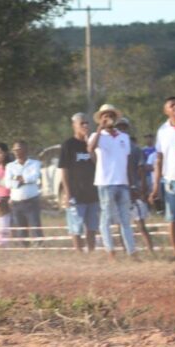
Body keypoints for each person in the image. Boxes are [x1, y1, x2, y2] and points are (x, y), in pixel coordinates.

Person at [90, 103, 137, 260]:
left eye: (110, 115)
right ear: (100, 119)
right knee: (107, 217)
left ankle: (132, 252)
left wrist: (132, 183)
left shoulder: (124, 137)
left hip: (122, 182)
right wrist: (100, 129)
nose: (108, 118)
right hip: (105, 182)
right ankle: (110, 251)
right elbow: (90, 149)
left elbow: (128, 160)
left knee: (125, 219)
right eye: (105, 116)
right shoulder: (97, 136)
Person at [150, 97, 175, 260]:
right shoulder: (162, 131)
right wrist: (155, 186)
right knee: (172, 219)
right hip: (171, 179)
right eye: (171, 105)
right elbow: (159, 159)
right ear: (165, 111)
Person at [59, 113, 98, 253]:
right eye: (82, 123)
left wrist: (90, 147)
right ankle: (79, 253)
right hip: (76, 192)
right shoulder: (68, 145)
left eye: (87, 123)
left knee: (92, 226)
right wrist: (67, 192)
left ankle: (91, 252)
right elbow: (64, 169)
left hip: (92, 192)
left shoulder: (92, 143)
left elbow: (98, 164)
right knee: (76, 226)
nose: (85, 126)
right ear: (74, 126)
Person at [117, 117, 155, 254]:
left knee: (140, 224)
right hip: (120, 187)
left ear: (127, 129)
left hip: (134, 189)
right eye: (119, 127)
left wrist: (143, 190)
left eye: (123, 127)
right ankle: (126, 251)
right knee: (121, 224)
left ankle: (151, 251)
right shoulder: (115, 147)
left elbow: (141, 170)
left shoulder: (135, 149)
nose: (121, 129)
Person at [4, 140, 42, 247]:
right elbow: (7, 183)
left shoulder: (35, 163)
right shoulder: (10, 166)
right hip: (16, 202)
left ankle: (39, 247)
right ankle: (23, 248)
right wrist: (21, 181)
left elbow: (34, 177)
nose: (16, 151)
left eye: (18, 149)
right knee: (20, 228)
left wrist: (18, 178)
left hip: (31, 200)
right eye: (14, 149)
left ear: (25, 149)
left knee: (35, 226)